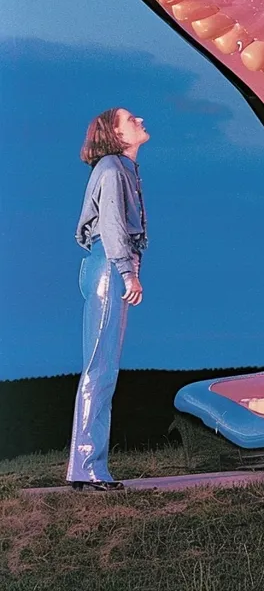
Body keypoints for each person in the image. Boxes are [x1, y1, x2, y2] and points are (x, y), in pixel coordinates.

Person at [65, 107, 149, 492]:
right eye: (130, 120)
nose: (140, 121)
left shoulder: (123, 169)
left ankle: (86, 467)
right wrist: (127, 272)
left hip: (109, 263)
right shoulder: (113, 169)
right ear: (115, 134)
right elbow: (113, 225)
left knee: (103, 367)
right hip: (109, 266)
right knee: (100, 368)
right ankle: (87, 466)